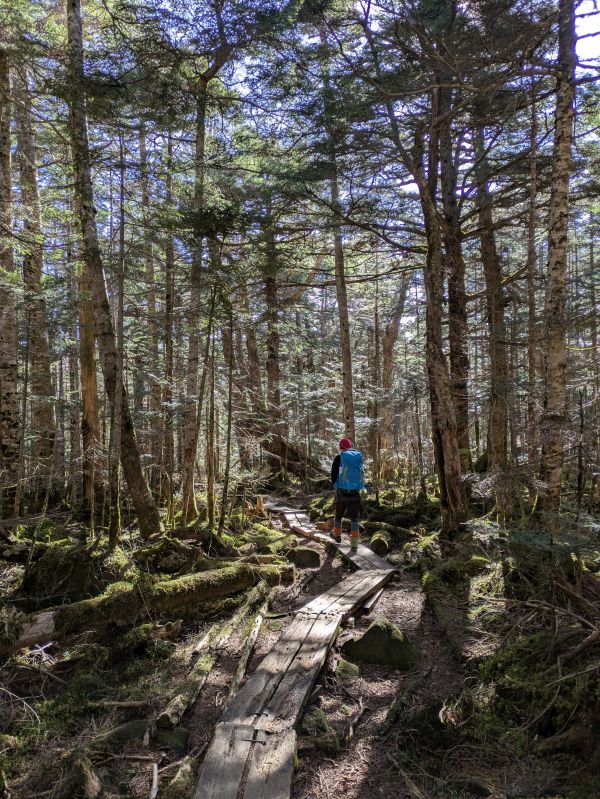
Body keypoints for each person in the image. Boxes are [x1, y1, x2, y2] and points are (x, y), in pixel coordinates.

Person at [330, 437, 365, 551]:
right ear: (350, 446)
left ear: (341, 447)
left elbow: (333, 475)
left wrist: (335, 487)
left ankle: (337, 536)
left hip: (341, 492)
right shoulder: (357, 458)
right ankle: (354, 544)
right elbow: (361, 473)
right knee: (354, 519)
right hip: (355, 493)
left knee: (338, 516)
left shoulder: (339, 458)